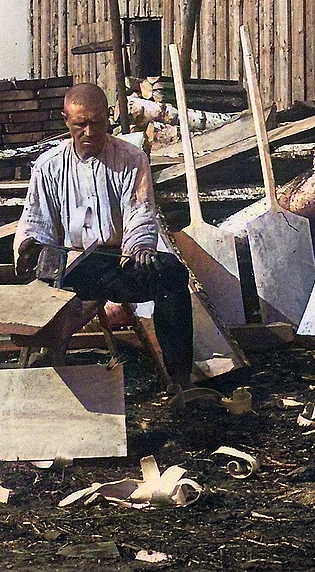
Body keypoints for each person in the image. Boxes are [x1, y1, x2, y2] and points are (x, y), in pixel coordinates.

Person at [14, 82, 194, 390]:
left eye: (95, 122)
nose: (88, 132)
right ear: (65, 120)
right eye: (79, 124)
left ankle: (179, 379)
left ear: (108, 117)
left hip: (116, 263)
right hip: (70, 269)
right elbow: (35, 220)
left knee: (172, 274)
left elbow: (140, 210)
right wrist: (33, 247)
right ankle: (43, 374)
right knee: (50, 287)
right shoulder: (49, 166)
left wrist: (138, 248)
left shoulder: (131, 158)